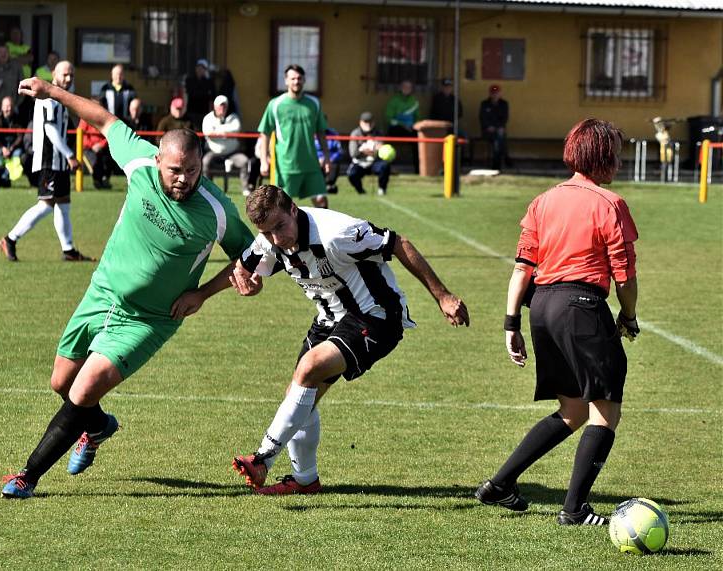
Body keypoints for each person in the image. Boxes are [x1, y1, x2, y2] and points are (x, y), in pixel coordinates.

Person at [0, 73, 255, 500]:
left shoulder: (215, 209)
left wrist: (203, 293)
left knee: (82, 390)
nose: (184, 180)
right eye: (175, 170)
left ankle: (27, 476)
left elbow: (252, 257)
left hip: (151, 318)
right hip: (103, 292)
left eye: (192, 171)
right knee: (62, 383)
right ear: (158, 160)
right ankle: (98, 426)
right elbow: (102, 118)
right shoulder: (137, 159)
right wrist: (51, 92)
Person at [229, 185, 469, 495]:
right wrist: (235, 285)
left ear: (293, 209)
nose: (277, 239)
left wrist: (443, 296)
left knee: (308, 368)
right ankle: (305, 481)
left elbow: (398, 243)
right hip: (330, 318)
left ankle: (262, 458)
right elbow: (244, 268)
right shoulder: (270, 239)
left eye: (280, 227)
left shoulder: (338, 233)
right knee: (298, 399)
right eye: (267, 232)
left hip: (376, 316)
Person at [475, 118, 639, 526]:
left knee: (572, 408)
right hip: (582, 307)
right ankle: (575, 510)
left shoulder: (543, 201)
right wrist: (629, 316)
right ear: (601, 157)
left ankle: (500, 485)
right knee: (605, 409)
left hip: (542, 307)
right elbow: (625, 276)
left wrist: (511, 323)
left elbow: (522, 268)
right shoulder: (610, 203)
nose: (619, 162)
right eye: (615, 154)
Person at [0, 61, 91, 263]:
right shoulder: (48, 98)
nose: (68, 78)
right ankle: (10, 239)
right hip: (50, 160)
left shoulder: (59, 97)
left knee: (63, 204)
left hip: (59, 162)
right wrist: (70, 155)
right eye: (65, 74)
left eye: (71, 75)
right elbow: (50, 129)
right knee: (47, 204)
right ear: (54, 74)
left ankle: (69, 250)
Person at [257, 64, 330, 209]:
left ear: (304, 80)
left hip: (311, 164)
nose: (296, 81)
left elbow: (321, 132)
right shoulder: (275, 104)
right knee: (281, 207)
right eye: (292, 78)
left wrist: (327, 157)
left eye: (299, 78)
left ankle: (322, 232)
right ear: (286, 81)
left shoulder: (314, 103)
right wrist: (263, 160)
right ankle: (280, 232)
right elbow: (264, 133)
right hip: (286, 166)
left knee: (322, 202)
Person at [201, 94, 249, 195]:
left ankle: (245, 188)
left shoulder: (234, 117)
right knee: (205, 162)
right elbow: (208, 133)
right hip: (213, 152)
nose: (222, 108)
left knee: (244, 161)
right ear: (215, 106)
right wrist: (227, 133)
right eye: (220, 106)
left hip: (232, 153)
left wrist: (217, 131)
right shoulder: (208, 118)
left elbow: (236, 129)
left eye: (224, 106)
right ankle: (208, 189)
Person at [347, 111, 391, 196]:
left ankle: (382, 189)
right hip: (360, 162)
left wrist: (380, 149)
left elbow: (381, 150)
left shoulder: (379, 133)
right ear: (360, 122)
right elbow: (353, 153)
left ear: (373, 122)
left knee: (385, 166)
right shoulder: (355, 133)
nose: (368, 124)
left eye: (370, 122)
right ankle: (360, 191)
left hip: (374, 161)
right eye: (365, 122)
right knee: (352, 175)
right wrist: (364, 151)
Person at [385, 79, 420, 173]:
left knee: (419, 140)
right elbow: (389, 118)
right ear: (400, 88)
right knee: (387, 143)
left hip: (411, 129)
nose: (407, 89)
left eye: (409, 87)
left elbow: (418, 118)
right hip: (397, 129)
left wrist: (414, 126)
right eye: (405, 87)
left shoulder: (414, 101)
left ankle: (419, 170)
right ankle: (386, 168)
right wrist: (403, 125)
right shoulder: (394, 100)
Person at [0, 95, 25, 187]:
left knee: (17, 155)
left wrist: (12, 148)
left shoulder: (18, 119)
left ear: (13, 107)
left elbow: (20, 137)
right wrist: (3, 148)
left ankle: (6, 177)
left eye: (9, 106)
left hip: (14, 147)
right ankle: (1, 175)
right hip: (0, 146)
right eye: (5, 106)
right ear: (2, 107)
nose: (7, 109)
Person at [479, 84, 510, 170]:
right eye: (493, 93)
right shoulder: (484, 104)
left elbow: (505, 118)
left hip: (499, 131)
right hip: (487, 131)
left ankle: (496, 165)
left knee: (498, 140)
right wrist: (489, 127)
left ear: (500, 93)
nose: (495, 95)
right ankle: (505, 157)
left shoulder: (504, 104)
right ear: (489, 94)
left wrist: (498, 127)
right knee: (500, 139)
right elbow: (482, 118)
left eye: (496, 93)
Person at [78, 114, 112, 189]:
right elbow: (81, 135)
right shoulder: (85, 119)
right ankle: (98, 180)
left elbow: (110, 134)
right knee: (95, 162)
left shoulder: (105, 118)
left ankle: (104, 179)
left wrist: (101, 144)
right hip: (88, 148)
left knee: (108, 159)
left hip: (103, 147)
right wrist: (92, 146)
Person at [184, 58, 215, 129]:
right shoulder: (189, 80)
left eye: (202, 68)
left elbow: (212, 97)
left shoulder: (209, 82)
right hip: (191, 110)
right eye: (198, 67)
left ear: (205, 70)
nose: (200, 70)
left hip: (204, 111)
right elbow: (187, 93)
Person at [315, 126, 343, 195]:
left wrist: (329, 159)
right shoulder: (309, 133)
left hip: (331, 159)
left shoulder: (333, 133)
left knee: (334, 165)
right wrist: (316, 159)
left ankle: (329, 184)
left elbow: (339, 151)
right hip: (315, 160)